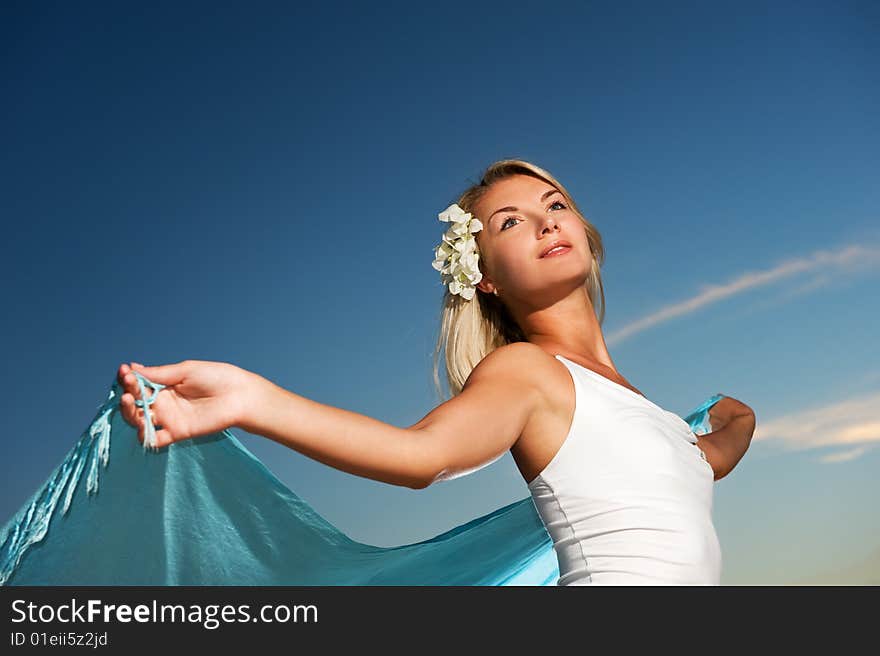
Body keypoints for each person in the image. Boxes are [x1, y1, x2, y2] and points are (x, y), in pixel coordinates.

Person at [116, 158, 756, 585]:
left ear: (585, 233)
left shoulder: (648, 416)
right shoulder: (527, 373)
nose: (545, 220)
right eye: (511, 222)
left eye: (554, 203)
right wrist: (251, 400)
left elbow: (712, 455)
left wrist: (738, 412)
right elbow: (422, 455)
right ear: (485, 281)